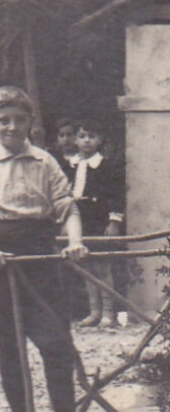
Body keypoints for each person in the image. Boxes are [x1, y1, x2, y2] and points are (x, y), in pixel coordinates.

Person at [0, 86, 118, 412]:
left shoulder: (45, 162)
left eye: (19, 120)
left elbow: (67, 208)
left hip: (41, 262)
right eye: (3, 120)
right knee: (12, 349)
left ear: (31, 122)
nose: (11, 127)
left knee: (58, 345)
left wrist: (75, 242)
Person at [71, 119, 127, 329]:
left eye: (91, 136)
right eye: (82, 136)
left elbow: (116, 195)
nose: (86, 141)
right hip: (79, 220)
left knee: (102, 266)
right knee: (85, 265)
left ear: (100, 140)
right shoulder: (71, 165)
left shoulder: (105, 166)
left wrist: (114, 222)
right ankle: (94, 311)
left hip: (98, 220)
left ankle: (108, 312)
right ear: (76, 140)